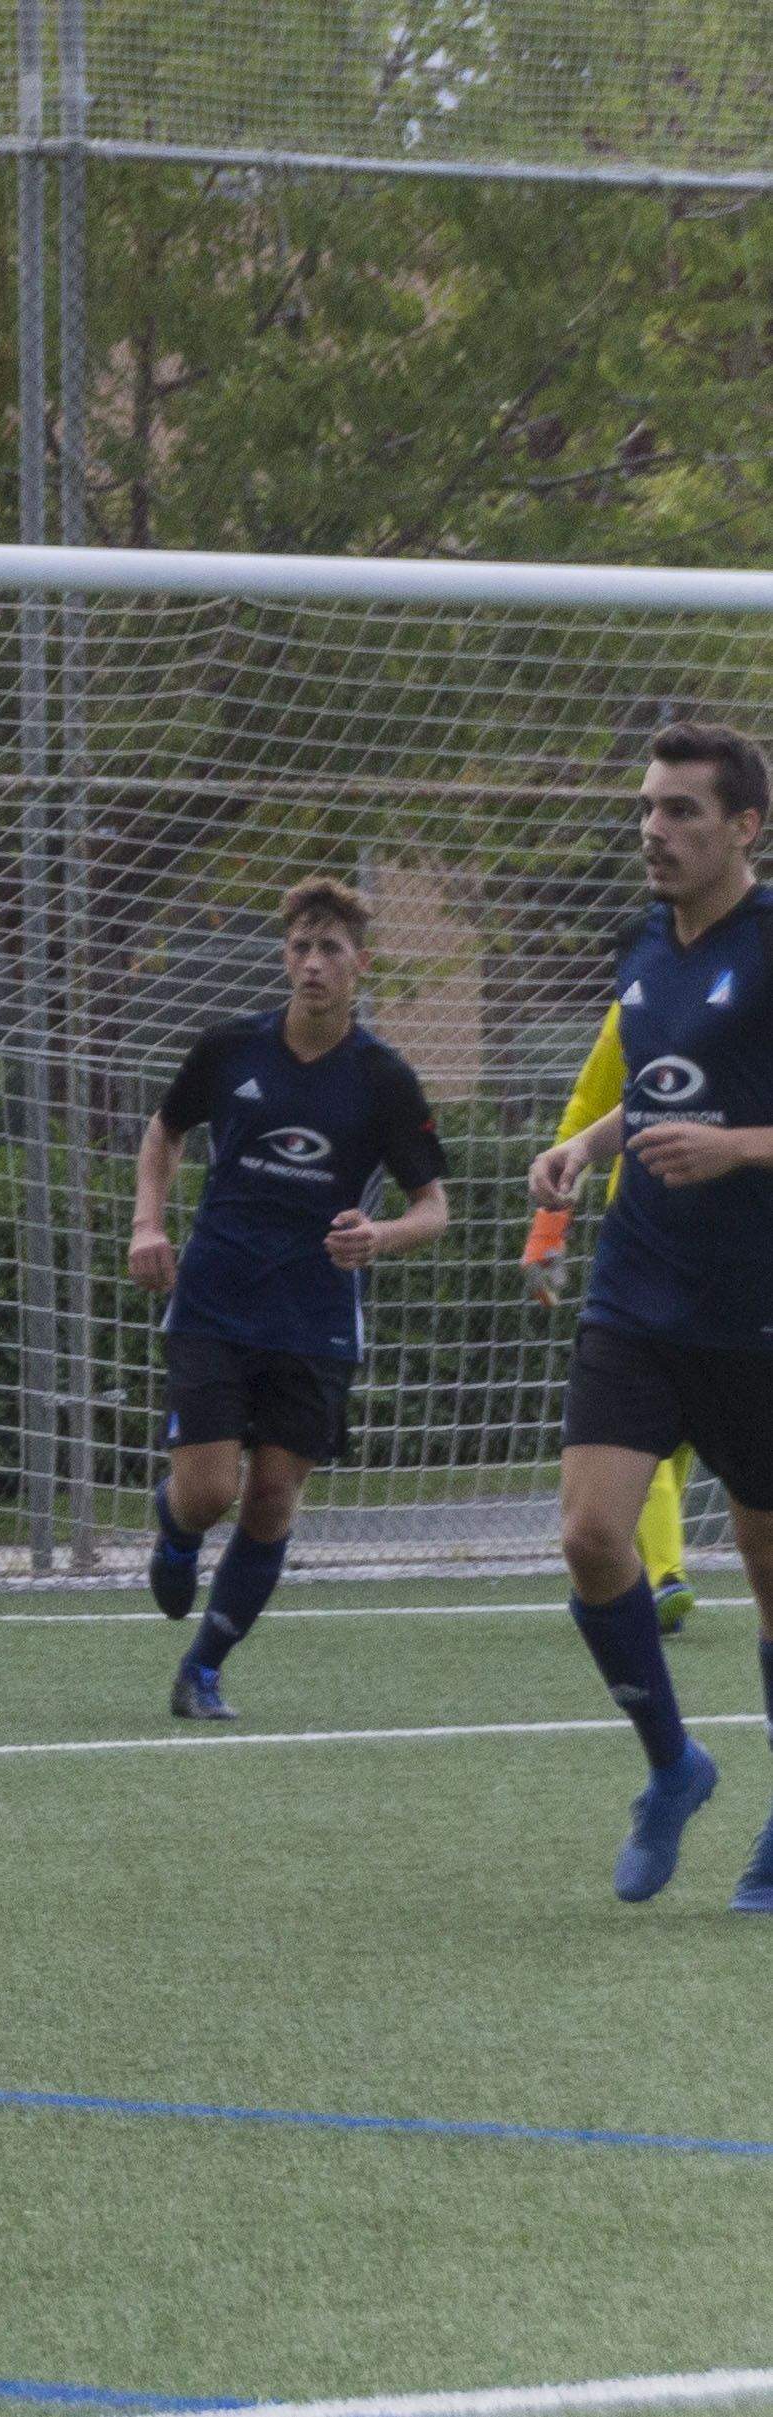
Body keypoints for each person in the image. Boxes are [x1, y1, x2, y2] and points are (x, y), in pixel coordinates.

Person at [527, 721, 773, 1906]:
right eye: (646, 808)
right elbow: (651, 1088)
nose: (652, 830)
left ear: (744, 827)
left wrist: (738, 1148)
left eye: (680, 810)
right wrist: (580, 1142)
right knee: (586, 1534)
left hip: (757, 1307)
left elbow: (721, 1117)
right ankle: (671, 1765)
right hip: (637, 1288)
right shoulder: (644, 946)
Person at [130, 877, 451, 1721]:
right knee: (208, 1493)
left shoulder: (384, 1079)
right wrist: (146, 1223)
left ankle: (203, 1666)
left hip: (314, 1317)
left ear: (360, 967)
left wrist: (378, 1237)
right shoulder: (230, 1049)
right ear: (284, 959)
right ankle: (173, 1525)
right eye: (301, 949)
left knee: (272, 1496)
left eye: (331, 950)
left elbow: (434, 1208)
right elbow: (164, 1130)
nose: (313, 964)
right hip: (215, 1297)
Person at [520, 1004, 698, 1633]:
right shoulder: (639, 1000)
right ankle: (664, 1574)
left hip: (740, 1254)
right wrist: (548, 1223)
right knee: (634, 1424)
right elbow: (588, 1108)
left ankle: (660, 1569)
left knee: (684, 1432)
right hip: (645, 1246)